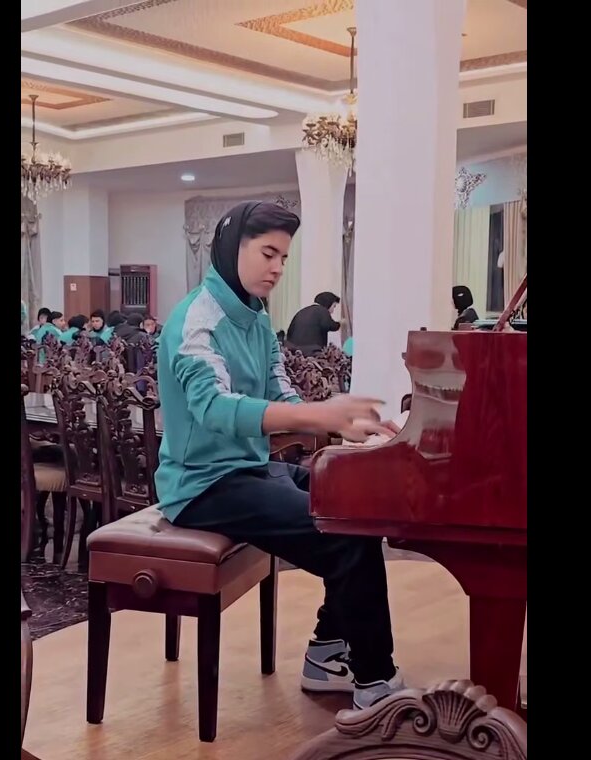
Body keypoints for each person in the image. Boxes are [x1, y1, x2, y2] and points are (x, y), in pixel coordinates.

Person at [155, 201, 406, 709]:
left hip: (248, 470)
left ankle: (329, 651)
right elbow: (214, 408)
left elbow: (279, 390)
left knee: (356, 503)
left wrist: (345, 426)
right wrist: (319, 415)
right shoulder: (196, 320)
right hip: (202, 485)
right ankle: (376, 686)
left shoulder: (255, 315)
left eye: (284, 258)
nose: (277, 268)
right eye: (268, 253)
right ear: (232, 248)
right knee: (343, 537)